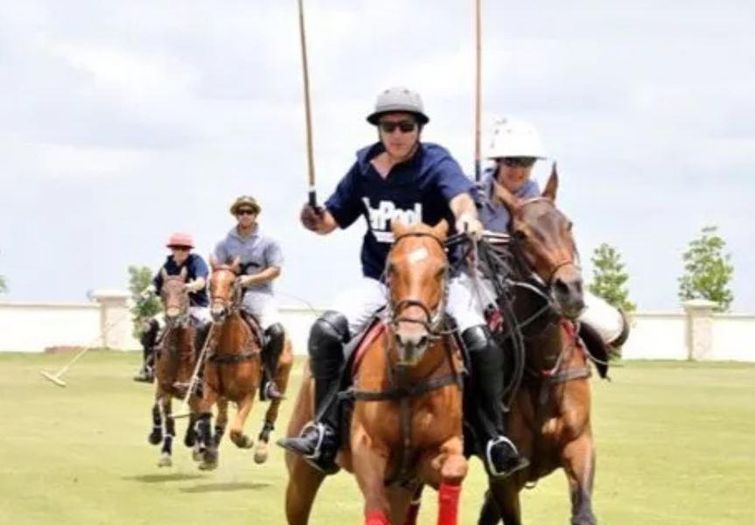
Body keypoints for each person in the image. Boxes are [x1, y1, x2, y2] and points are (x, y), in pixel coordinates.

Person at [278, 86, 528, 478]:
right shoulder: (364, 167)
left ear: (419, 129)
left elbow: (460, 198)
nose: (397, 133)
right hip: (381, 283)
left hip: (437, 287)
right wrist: (313, 219)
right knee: (325, 332)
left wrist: (466, 216)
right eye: (388, 126)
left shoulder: (435, 162)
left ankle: (493, 436)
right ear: (378, 129)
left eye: (406, 126)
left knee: (480, 341)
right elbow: (330, 221)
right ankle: (324, 429)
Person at [481, 118, 629, 352]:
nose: (518, 170)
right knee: (477, 342)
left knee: (613, 328)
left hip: (539, 282)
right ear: (498, 161)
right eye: (511, 161)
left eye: (526, 162)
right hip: (483, 282)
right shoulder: (471, 194)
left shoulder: (542, 203)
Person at [212, 195, 286, 400]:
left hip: (260, 294)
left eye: (249, 212)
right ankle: (201, 376)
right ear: (236, 215)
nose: (245, 215)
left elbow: (275, 270)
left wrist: (250, 279)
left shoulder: (268, 241)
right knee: (204, 329)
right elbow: (217, 270)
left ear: (255, 215)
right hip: (230, 298)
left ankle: (268, 381)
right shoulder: (224, 243)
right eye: (241, 212)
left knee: (277, 332)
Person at [134, 232, 211, 383]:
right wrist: (146, 292)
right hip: (172, 308)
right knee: (149, 326)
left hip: (196, 307)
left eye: (184, 248)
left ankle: (205, 371)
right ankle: (148, 367)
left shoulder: (196, 261)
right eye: (177, 248)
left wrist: (189, 286)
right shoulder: (168, 264)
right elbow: (155, 283)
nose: (181, 251)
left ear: (189, 250)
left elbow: (201, 281)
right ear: (172, 249)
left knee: (209, 328)